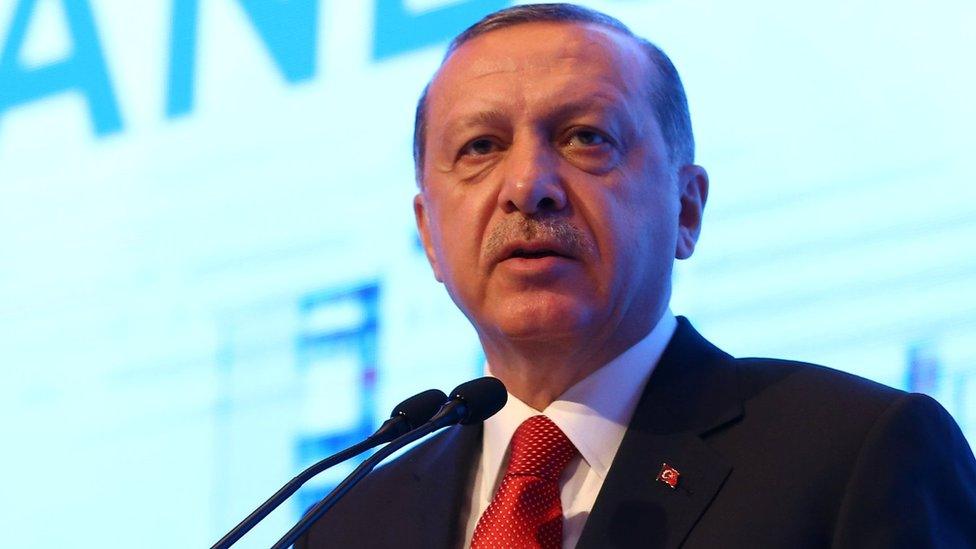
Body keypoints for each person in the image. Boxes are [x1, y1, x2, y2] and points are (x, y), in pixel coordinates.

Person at [298, 4, 976, 548]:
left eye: (586, 137)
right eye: (481, 147)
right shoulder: (346, 523)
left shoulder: (855, 453)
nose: (530, 185)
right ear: (430, 236)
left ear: (687, 207)